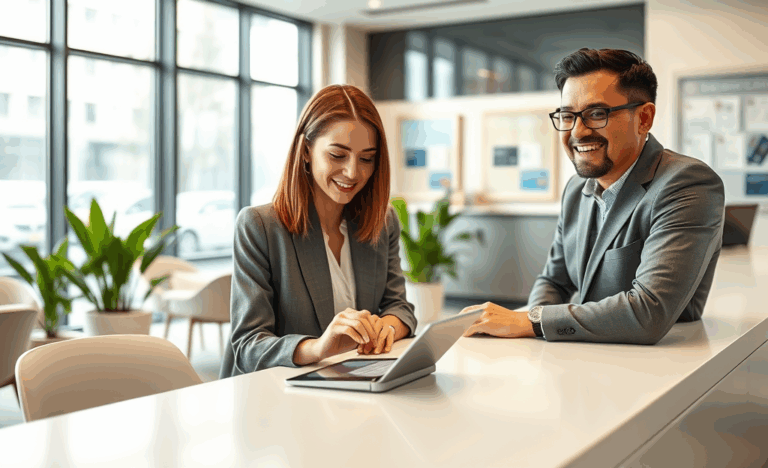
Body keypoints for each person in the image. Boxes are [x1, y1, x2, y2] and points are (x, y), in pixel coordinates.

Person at [462, 48, 724, 345]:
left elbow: (649, 312)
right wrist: (531, 325)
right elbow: (553, 281)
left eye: (597, 114)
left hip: (657, 369)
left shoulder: (687, 183)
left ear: (644, 118)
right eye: (567, 115)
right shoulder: (577, 188)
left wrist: (531, 321)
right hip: (583, 360)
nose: (577, 131)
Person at [220, 85, 416, 378]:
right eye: (338, 155)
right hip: (272, 398)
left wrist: (386, 327)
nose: (352, 172)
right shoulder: (260, 226)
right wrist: (319, 347)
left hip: (350, 388)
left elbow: (399, 307)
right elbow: (248, 346)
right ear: (306, 151)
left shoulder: (382, 221)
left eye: (366, 159)